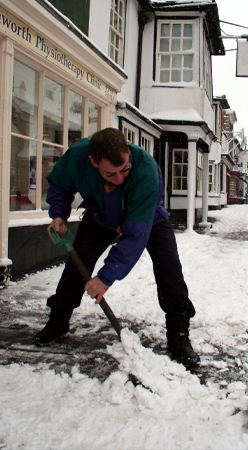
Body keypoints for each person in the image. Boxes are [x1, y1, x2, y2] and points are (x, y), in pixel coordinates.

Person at [33, 128, 200, 365]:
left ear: (127, 152)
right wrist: (59, 214)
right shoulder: (78, 156)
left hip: (147, 218)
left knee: (169, 269)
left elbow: (135, 235)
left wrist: (105, 277)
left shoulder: (145, 169)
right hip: (100, 215)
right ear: (93, 162)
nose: (120, 179)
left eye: (124, 170)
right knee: (76, 265)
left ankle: (179, 334)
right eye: (110, 174)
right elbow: (60, 185)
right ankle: (58, 321)